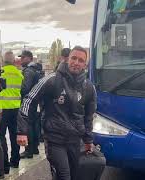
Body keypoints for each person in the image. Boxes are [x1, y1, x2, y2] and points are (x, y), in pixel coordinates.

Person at [17, 46, 97, 180]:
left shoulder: (89, 87)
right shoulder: (52, 80)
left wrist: (88, 140)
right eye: (74, 58)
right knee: (64, 176)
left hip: (75, 141)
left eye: (81, 60)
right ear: (67, 59)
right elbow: (29, 101)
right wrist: (22, 131)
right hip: (55, 140)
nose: (76, 62)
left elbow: (89, 116)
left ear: (85, 64)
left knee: (75, 176)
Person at [0, 51, 24, 172]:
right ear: (14, 61)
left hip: (2, 109)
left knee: (1, 136)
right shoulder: (19, 74)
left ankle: (5, 164)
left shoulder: (1, 73)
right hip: (15, 108)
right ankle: (15, 160)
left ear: (4, 61)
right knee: (15, 135)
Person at [18, 50, 44, 159]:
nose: (21, 60)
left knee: (28, 126)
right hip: (36, 102)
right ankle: (35, 148)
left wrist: (19, 90)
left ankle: (29, 151)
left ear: (29, 58)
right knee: (34, 125)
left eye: (23, 57)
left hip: (29, 102)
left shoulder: (28, 71)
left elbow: (25, 88)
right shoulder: (37, 70)